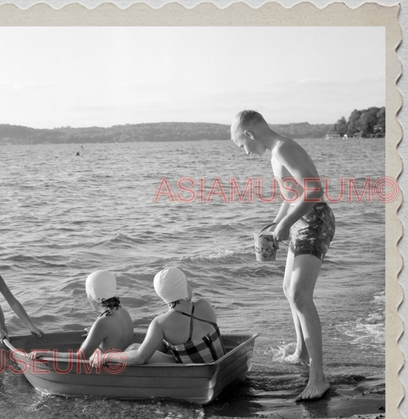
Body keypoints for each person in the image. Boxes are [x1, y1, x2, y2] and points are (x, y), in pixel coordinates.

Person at [231, 110, 335, 401]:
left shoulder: (284, 148)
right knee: (289, 291)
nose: (245, 152)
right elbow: (291, 197)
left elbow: (313, 190)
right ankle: (302, 352)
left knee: (301, 296)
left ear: (250, 133)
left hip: (314, 223)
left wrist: (287, 224)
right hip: (302, 222)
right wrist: (275, 226)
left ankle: (319, 377)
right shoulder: (277, 153)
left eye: (242, 145)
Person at [91, 267, 225, 368]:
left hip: (195, 371)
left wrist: (106, 357)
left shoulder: (161, 323)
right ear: (184, 288)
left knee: (134, 349)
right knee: (148, 347)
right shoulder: (204, 304)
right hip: (219, 363)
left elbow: (140, 358)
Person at [79, 270, 134, 358]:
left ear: (92, 296)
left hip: (111, 368)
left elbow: (81, 356)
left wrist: (49, 354)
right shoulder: (124, 312)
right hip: (123, 363)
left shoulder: (103, 322)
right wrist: (93, 334)